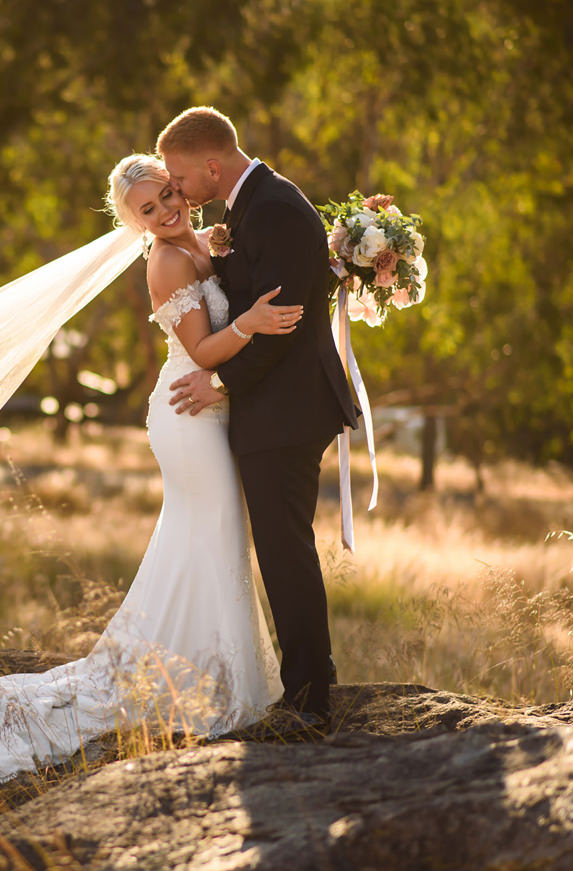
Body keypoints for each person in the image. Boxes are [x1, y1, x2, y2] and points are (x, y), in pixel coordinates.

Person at [0, 153, 301, 798]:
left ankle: (206, 675)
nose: (163, 213)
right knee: (211, 534)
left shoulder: (206, 244)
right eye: (147, 212)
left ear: (180, 186)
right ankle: (206, 686)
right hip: (188, 416)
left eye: (164, 196)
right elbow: (203, 351)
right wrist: (251, 323)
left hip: (210, 410)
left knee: (207, 540)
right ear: (134, 224)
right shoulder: (166, 261)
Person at [157, 107, 359, 723]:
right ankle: (308, 680)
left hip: (288, 409)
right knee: (280, 546)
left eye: (181, 178)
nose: (179, 191)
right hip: (277, 404)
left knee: (284, 549)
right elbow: (257, 300)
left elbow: (285, 328)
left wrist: (220, 382)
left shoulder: (272, 208)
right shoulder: (249, 206)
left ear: (212, 166)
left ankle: (308, 701)